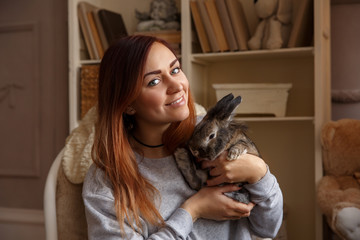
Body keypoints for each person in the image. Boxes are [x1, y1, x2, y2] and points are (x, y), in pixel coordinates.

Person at [82, 35, 283, 239]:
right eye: (154, 81)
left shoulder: (210, 135)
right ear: (128, 104)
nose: (177, 85)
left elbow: (268, 228)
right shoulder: (106, 181)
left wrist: (258, 173)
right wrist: (193, 210)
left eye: (175, 69)